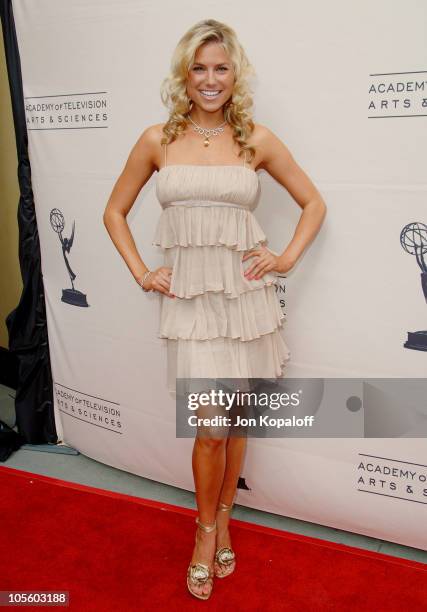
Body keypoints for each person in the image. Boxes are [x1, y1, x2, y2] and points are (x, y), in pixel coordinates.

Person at [103, 18, 327, 601]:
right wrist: (143, 272)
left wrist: (284, 260)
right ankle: (206, 533)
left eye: (221, 68)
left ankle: (225, 517)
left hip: (246, 302)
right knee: (209, 428)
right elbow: (114, 212)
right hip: (192, 306)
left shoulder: (256, 138)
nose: (210, 79)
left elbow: (312, 203)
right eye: (199, 67)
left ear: (235, 75)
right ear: (185, 73)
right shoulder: (157, 138)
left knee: (232, 424)